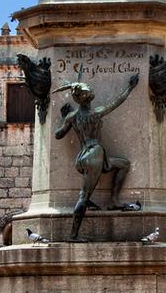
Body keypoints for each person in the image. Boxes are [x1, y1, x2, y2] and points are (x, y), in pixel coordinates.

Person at [54, 74, 139, 240]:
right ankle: (73, 235)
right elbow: (117, 102)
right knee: (84, 197)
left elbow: (58, 134)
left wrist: (65, 118)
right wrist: (130, 87)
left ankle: (114, 200)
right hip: (95, 154)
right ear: (88, 99)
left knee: (124, 165)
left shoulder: (73, 117)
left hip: (84, 156)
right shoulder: (96, 113)